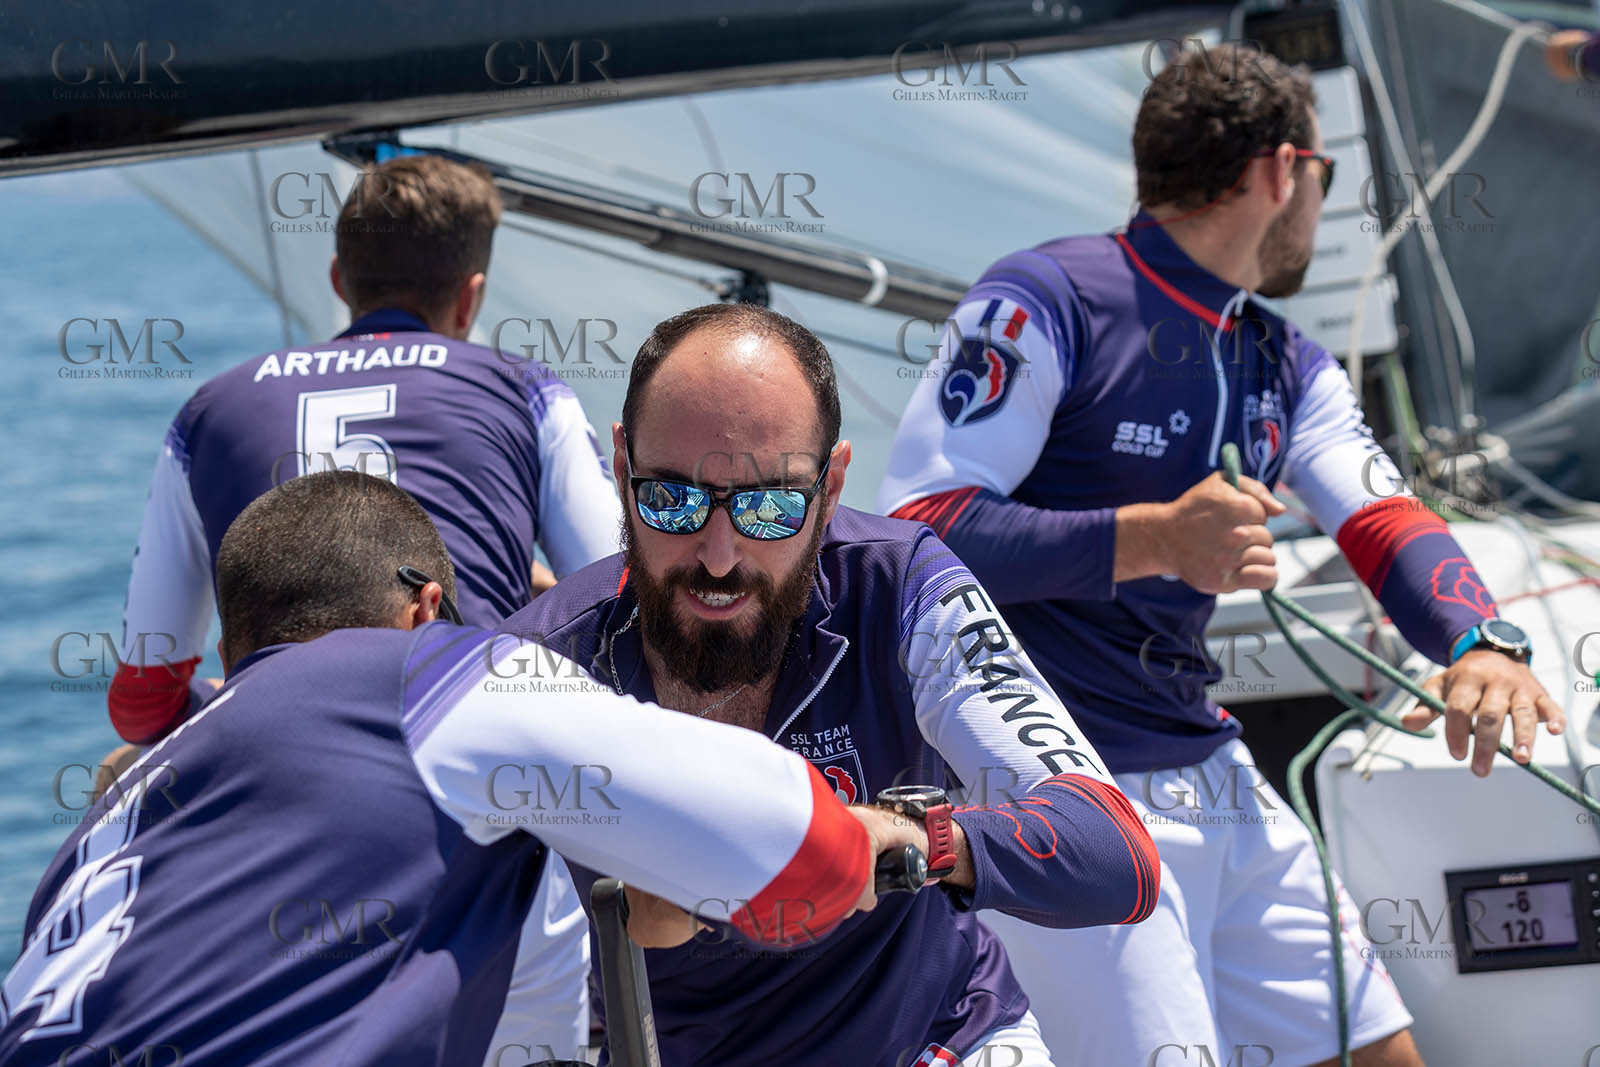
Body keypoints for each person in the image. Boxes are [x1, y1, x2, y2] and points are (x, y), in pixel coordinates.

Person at [878, 44, 1566, 1067]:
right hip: (1069, 787)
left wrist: (1481, 637)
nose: (1318, 204)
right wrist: (1147, 539)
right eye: (1323, 177)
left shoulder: (1283, 358)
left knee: (1378, 1053)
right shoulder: (1045, 297)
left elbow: (1383, 517)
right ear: (1281, 169)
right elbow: (921, 524)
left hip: (1208, 763)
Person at [0, 472, 911, 1067]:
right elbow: (806, 856)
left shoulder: (117, 807)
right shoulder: (438, 670)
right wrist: (887, 830)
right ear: (426, 606)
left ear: (236, 646)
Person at [500, 302, 1159, 1067]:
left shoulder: (904, 584)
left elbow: (1117, 854)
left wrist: (903, 840)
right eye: (671, 500)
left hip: (934, 1044)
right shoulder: (540, 663)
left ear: (833, 485)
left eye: (770, 507)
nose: (718, 556)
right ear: (619, 470)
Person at [110, 152, 620, 747]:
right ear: (470, 297)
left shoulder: (208, 410)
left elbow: (143, 706)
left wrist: (221, 697)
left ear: (337, 280)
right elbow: (619, 606)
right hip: (469, 754)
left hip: (271, 751)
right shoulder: (527, 389)